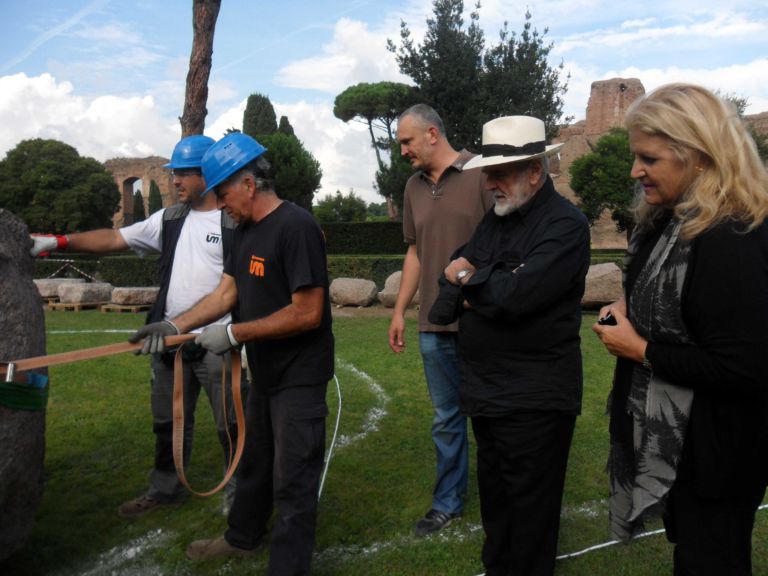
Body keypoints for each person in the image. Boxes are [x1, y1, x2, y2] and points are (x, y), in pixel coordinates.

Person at [129, 132, 334, 576]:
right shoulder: (243, 231)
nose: (219, 204)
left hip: (299, 378)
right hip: (266, 374)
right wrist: (174, 324)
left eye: (222, 193)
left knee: (292, 480)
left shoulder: (296, 227)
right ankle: (242, 538)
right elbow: (227, 291)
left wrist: (236, 334)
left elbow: (308, 312)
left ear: (248, 183)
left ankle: (287, 567)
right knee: (256, 463)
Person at [592, 83, 768, 575]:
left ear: (699, 155)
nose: (635, 171)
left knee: (711, 558)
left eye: (649, 158)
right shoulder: (672, 222)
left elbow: (745, 367)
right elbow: (669, 298)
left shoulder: (733, 236)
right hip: (682, 445)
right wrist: (629, 308)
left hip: (718, 453)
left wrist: (641, 349)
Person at [29, 135, 242, 517]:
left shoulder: (235, 221)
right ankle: (165, 490)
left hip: (217, 343)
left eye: (182, 174)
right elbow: (115, 238)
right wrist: (56, 241)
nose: (174, 181)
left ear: (207, 174)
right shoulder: (170, 218)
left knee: (231, 424)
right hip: (167, 338)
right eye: (173, 173)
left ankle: (241, 493)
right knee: (166, 422)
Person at [432, 115, 590, 576]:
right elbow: (455, 276)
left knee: (531, 517)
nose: (490, 183)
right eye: (488, 172)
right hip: (488, 394)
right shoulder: (496, 221)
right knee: (498, 508)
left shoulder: (565, 225)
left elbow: (513, 296)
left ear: (535, 172)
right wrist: (475, 284)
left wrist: (470, 280)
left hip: (535, 401)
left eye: (499, 172)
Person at [388, 104, 494, 536]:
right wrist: (398, 310)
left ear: (432, 134)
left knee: (491, 414)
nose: (402, 152)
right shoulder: (412, 188)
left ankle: (500, 499)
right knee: (446, 419)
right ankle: (447, 503)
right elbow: (414, 252)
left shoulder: (483, 172)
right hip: (433, 326)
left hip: (483, 321)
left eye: (406, 142)